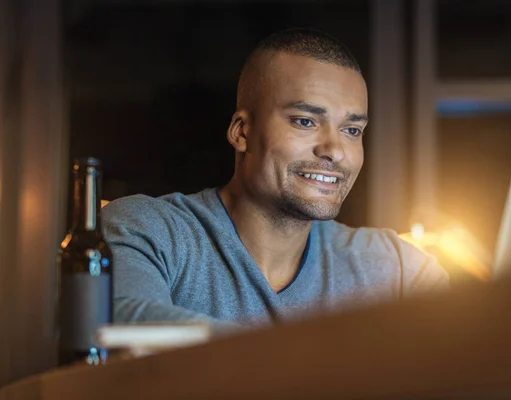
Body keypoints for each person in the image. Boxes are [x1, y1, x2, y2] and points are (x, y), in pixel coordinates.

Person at [102, 28, 449, 330]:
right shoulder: (146, 230)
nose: (335, 150)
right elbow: (127, 327)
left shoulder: (398, 269)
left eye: (352, 129)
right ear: (242, 132)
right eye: (305, 121)